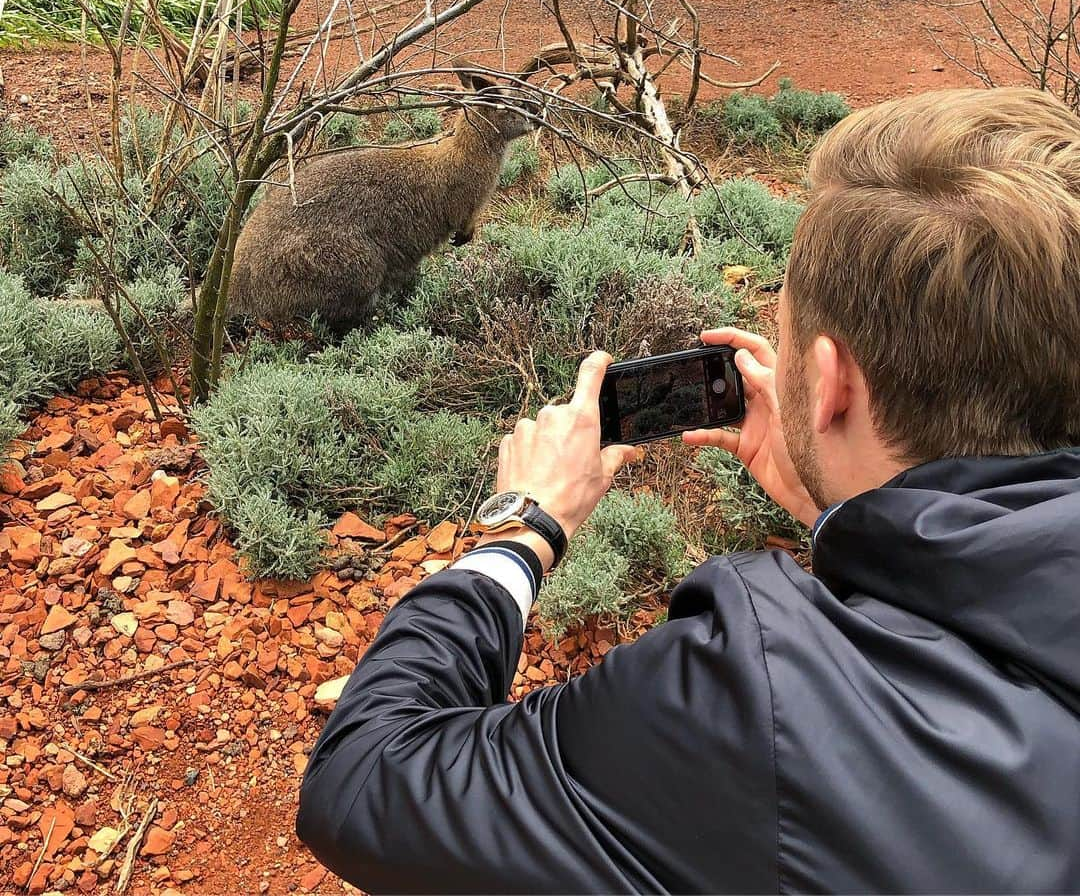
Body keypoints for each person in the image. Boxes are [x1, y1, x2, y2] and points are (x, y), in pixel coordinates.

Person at [296, 86, 1080, 894]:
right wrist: (844, 507)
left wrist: (519, 532)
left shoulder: (754, 700)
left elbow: (362, 782)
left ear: (829, 383)